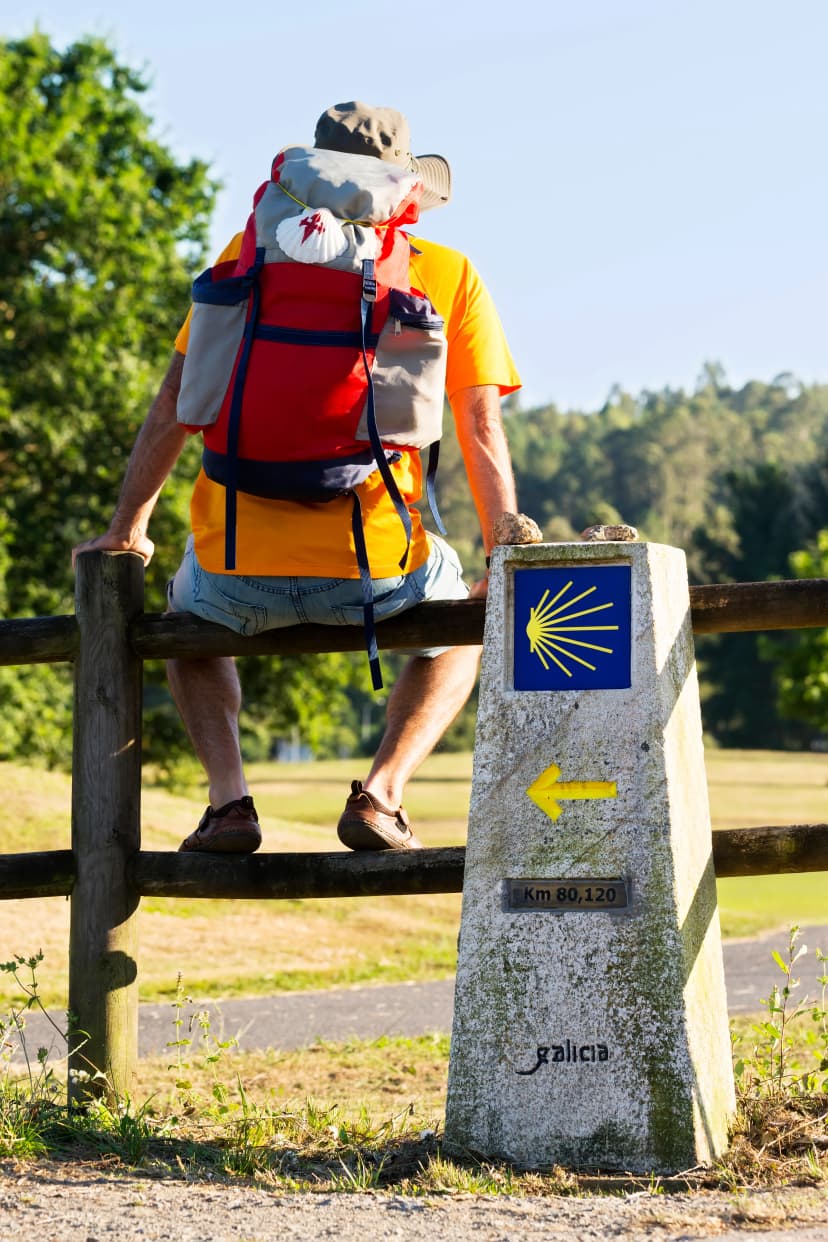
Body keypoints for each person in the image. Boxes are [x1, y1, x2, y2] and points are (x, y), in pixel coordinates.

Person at [72, 101, 521, 855]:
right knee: (466, 631)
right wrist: (504, 548)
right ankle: (381, 796)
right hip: (377, 572)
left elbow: (175, 406)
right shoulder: (445, 273)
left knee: (183, 619)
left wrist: (127, 530)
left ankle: (228, 803)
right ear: (404, 187)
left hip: (233, 570)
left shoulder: (244, 261)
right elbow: (480, 429)